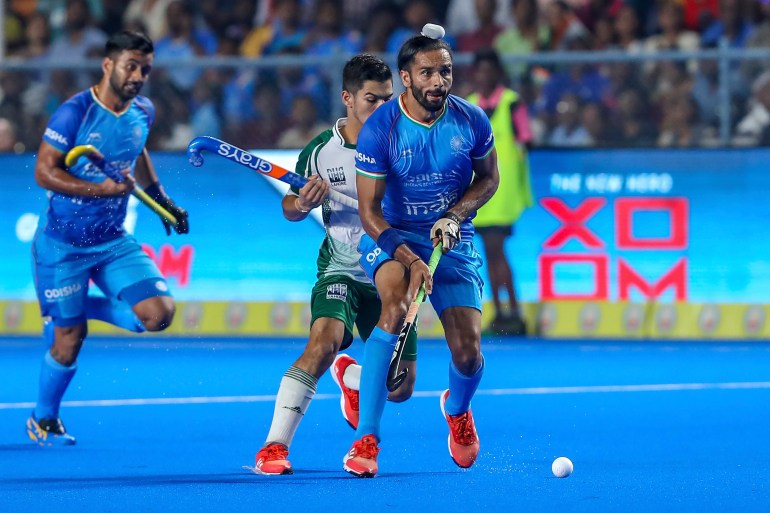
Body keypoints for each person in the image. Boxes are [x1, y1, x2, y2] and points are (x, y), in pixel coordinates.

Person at [343, 25, 499, 478]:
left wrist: (455, 213)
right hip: (394, 237)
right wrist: (408, 259)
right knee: (393, 306)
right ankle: (367, 438)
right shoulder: (380, 129)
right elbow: (370, 214)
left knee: (468, 354)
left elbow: (488, 179)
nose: (439, 82)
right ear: (406, 78)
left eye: (446, 72)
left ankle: (457, 409)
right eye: (427, 73)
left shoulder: (471, 119)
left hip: (452, 237)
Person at [253, 53, 419, 476]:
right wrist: (302, 201)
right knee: (322, 343)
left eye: (388, 99)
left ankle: (353, 381)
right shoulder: (323, 150)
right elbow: (290, 206)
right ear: (347, 98)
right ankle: (273, 447)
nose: (382, 109)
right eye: (371, 100)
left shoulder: (408, 143)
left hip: (393, 276)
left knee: (400, 389)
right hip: (342, 269)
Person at [26, 30, 189, 446]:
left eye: (145, 69)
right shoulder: (74, 113)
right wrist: (99, 190)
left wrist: (162, 199)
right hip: (62, 248)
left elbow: (139, 150)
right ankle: (43, 420)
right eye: (131, 66)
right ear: (108, 66)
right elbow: (44, 171)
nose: (138, 76)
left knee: (158, 315)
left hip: (114, 241)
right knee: (67, 343)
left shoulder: (144, 111)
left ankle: (80, 309)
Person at [467, 48, 533, 336]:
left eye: (489, 69)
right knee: (491, 252)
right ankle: (503, 312)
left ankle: (511, 312)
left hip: (503, 193)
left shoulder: (512, 103)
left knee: (496, 252)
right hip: (479, 190)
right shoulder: (468, 105)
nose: (484, 75)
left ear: (498, 72)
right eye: (479, 70)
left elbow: (526, 141)